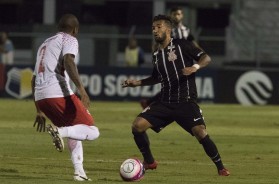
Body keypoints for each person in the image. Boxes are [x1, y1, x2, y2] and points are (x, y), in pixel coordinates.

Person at [122, 15, 230, 176]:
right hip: (164, 102)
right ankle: (150, 162)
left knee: (200, 132)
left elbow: (206, 58)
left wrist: (195, 67)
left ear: (168, 29)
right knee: (137, 126)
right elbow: (156, 78)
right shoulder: (156, 54)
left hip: (185, 101)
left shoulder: (182, 45)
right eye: (153, 28)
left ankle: (221, 167)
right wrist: (136, 83)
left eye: (158, 27)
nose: (155, 30)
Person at [31, 14, 100, 181]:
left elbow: (33, 79)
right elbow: (69, 61)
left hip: (41, 97)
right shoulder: (69, 39)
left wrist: (39, 110)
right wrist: (82, 90)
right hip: (56, 92)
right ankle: (59, 131)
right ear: (75, 30)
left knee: (75, 130)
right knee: (92, 131)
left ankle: (79, 173)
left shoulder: (44, 44)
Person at [140, 6, 199, 109]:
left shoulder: (186, 30)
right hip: (171, 60)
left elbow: (193, 44)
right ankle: (153, 102)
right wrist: (155, 56)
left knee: (176, 85)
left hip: (186, 61)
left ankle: (150, 102)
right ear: (171, 15)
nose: (176, 16)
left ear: (182, 16)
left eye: (178, 14)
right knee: (174, 85)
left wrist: (201, 55)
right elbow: (157, 44)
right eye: (174, 14)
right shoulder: (168, 30)